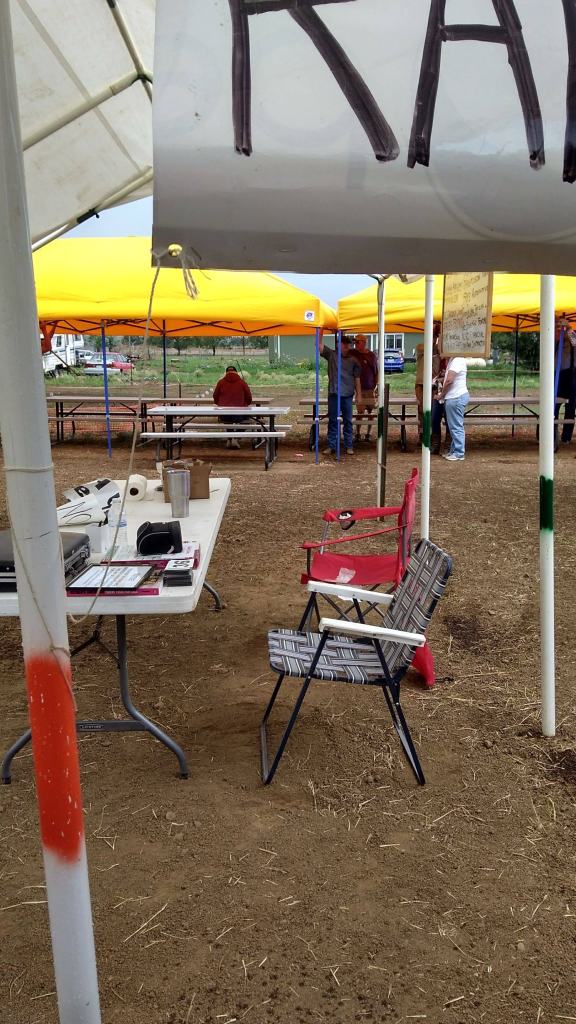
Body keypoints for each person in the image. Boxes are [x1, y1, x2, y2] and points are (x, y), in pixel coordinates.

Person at [320, 334, 362, 455]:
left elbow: (357, 378)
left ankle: (349, 445)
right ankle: (331, 445)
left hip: (347, 395)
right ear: (339, 345)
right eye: (345, 345)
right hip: (334, 393)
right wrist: (321, 330)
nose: (348, 348)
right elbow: (319, 346)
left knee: (348, 421)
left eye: (348, 346)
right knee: (333, 420)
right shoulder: (331, 355)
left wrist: (359, 394)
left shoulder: (353, 361)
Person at [437, 353, 469, 461]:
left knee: (456, 427)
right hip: (454, 396)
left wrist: (441, 395)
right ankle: (454, 450)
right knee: (453, 426)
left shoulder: (457, 360)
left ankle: (459, 452)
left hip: (456, 396)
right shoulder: (453, 359)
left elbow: (450, 380)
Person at [213, 365, 253, 449]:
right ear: (236, 373)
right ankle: (236, 437)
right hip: (239, 414)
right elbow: (249, 398)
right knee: (249, 420)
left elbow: (215, 397)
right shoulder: (242, 383)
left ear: (226, 373)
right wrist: (245, 403)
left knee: (228, 421)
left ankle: (230, 439)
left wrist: (220, 404)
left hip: (224, 414)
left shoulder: (221, 382)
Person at [554, 319, 576, 450]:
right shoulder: (555, 340)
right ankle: (551, 433)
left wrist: (568, 328)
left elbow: (574, 341)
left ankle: (566, 437)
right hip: (556, 374)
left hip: (571, 375)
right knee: (552, 406)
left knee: (570, 407)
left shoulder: (573, 337)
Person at [353, 334, 378, 442]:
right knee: (360, 412)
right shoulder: (353, 353)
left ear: (364, 343)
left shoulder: (372, 356)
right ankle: (357, 433)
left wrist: (376, 387)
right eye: (355, 343)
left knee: (370, 412)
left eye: (357, 342)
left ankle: (368, 433)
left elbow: (376, 372)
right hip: (359, 390)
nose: (355, 345)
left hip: (370, 389)